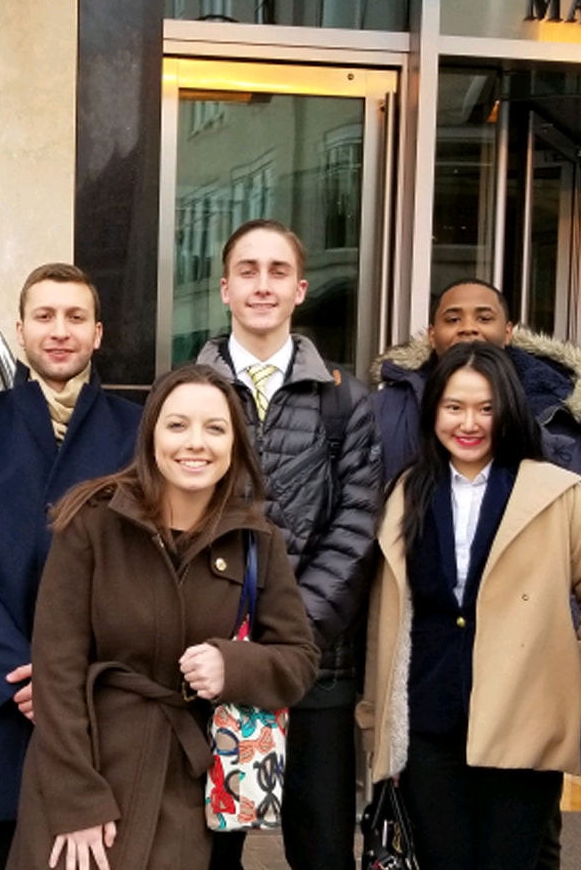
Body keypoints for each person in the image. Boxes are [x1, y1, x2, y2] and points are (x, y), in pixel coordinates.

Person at [9, 363, 320, 870]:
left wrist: (233, 667)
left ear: (235, 445)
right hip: (88, 779)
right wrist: (77, 799)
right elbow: (57, 672)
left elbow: (300, 660)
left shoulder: (257, 540)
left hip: (188, 789)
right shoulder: (92, 523)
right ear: (151, 435)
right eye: (177, 425)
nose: (195, 443)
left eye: (214, 428)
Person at [361, 341, 581, 870]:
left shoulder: (558, 492)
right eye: (454, 407)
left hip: (522, 722)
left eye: (486, 408)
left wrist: (579, 684)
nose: (469, 423)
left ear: (509, 411)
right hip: (429, 722)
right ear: (434, 413)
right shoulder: (407, 491)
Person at [0, 263, 142, 870]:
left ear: (98, 333)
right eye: (45, 317)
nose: (60, 331)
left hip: (102, 704)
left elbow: (146, 568)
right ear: (20, 331)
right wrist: (17, 677)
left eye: (75, 317)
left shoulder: (141, 431)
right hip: (3, 703)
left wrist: (73, 678)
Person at [194, 219, 381, 870]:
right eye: (248, 271)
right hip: (212, 662)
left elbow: (358, 525)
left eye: (278, 272)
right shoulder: (187, 394)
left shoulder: (347, 399)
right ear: (224, 288)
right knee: (209, 848)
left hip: (315, 671)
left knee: (321, 848)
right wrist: (226, 638)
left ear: (300, 289)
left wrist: (291, 636)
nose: (262, 285)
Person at [372, 276, 581, 550]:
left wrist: (555, 561)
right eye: (452, 320)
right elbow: (355, 507)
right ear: (432, 334)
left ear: (508, 331)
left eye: (484, 319)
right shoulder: (385, 409)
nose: (468, 328)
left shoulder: (564, 411)